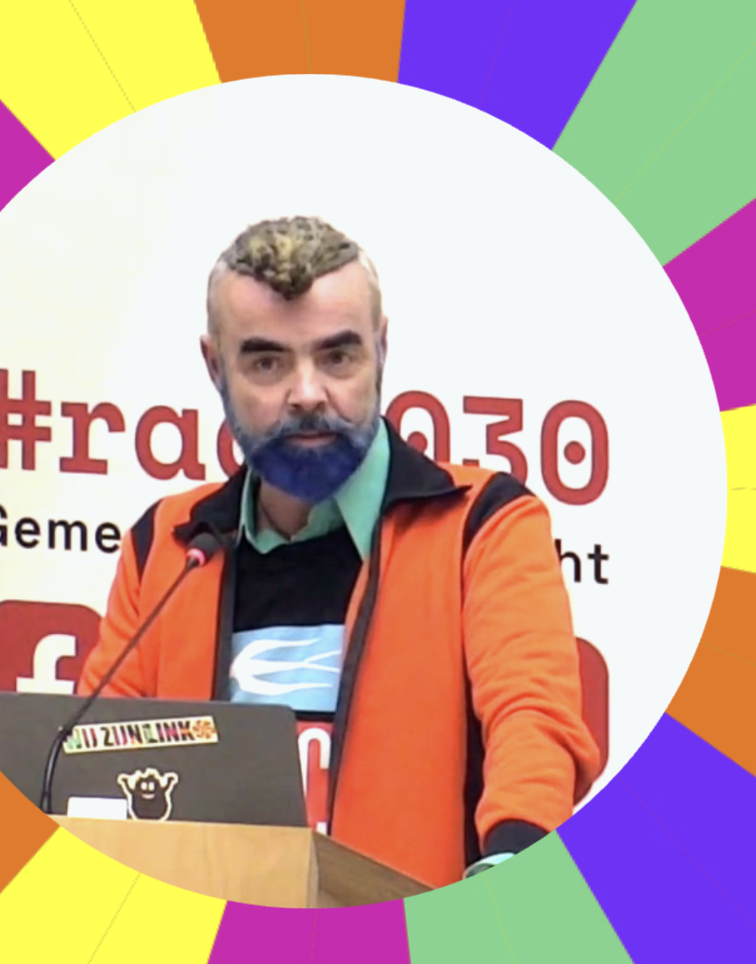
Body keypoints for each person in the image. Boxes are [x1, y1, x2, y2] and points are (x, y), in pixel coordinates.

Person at [77, 215, 601, 888]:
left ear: (381, 348)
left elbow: (533, 722)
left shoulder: (482, 524)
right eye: (267, 362)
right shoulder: (170, 544)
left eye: (337, 357)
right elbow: (94, 766)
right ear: (214, 367)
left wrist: (509, 876)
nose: (307, 394)